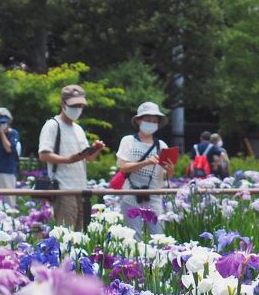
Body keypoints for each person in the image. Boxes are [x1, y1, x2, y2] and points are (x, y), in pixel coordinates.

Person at [38, 85, 105, 231]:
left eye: (81, 105)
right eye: (74, 105)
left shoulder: (78, 129)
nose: (78, 109)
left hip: (81, 189)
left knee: (81, 233)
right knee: (66, 233)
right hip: (63, 189)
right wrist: (68, 159)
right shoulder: (52, 125)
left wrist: (95, 149)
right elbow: (43, 154)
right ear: (63, 104)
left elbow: (88, 159)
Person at [116, 102, 174, 240]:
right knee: (134, 238)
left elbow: (167, 176)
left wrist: (171, 169)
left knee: (159, 237)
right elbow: (123, 167)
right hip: (131, 195)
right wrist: (145, 162)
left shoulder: (162, 145)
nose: (151, 124)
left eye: (154, 121)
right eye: (148, 120)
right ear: (138, 121)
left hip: (153, 197)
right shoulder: (128, 141)